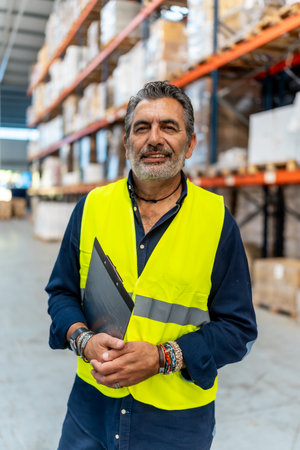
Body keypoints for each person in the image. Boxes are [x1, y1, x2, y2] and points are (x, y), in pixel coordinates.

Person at [46, 81, 257, 450]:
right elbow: (61, 293)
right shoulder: (92, 207)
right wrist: (84, 340)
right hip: (91, 408)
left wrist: (162, 357)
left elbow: (238, 329)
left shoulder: (216, 222)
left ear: (190, 144)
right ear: (127, 144)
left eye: (169, 127)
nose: (154, 138)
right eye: (142, 127)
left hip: (174, 422)